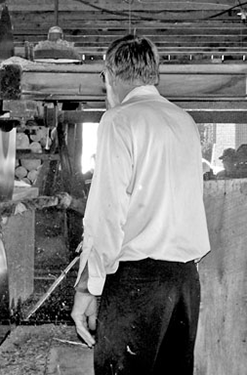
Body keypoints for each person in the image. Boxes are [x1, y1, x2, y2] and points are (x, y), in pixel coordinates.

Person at [70, 34, 210, 375]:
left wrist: (89, 286)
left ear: (109, 75)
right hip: (184, 282)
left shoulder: (119, 119)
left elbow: (106, 215)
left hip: (139, 283)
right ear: (154, 75)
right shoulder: (184, 122)